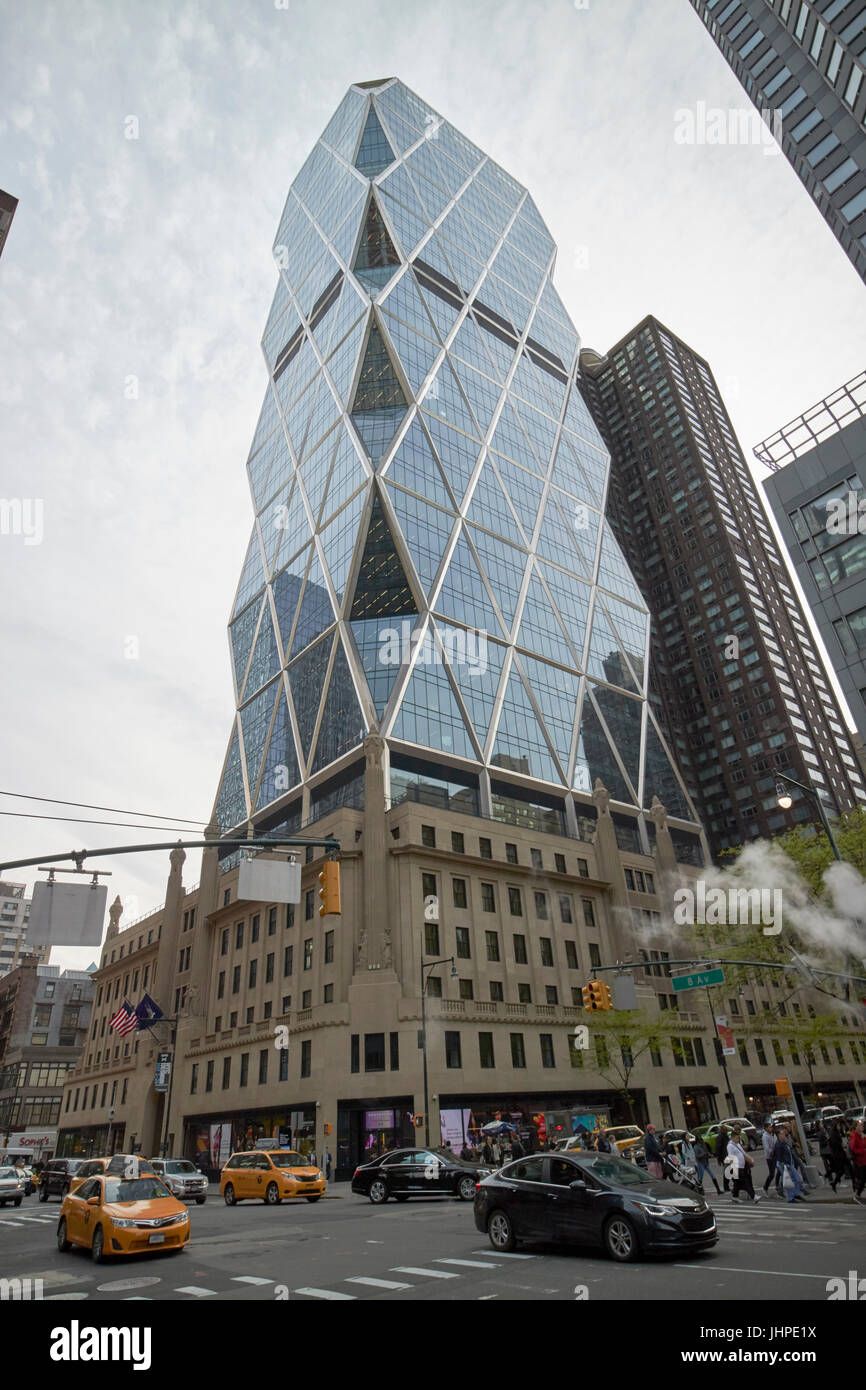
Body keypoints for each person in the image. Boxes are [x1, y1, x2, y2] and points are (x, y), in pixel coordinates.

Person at [727, 1126, 761, 1203]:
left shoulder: (737, 1144)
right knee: (745, 1182)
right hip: (737, 1167)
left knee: (737, 1183)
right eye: (736, 1138)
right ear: (732, 1138)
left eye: (738, 1138)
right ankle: (753, 1196)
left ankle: (735, 1196)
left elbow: (744, 1154)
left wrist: (751, 1159)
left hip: (742, 1166)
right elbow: (731, 1157)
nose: (738, 1139)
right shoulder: (730, 1146)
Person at [773, 1126, 805, 1203]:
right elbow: (779, 1157)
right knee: (789, 1182)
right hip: (785, 1165)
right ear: (779, 1135)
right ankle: (790, 1198)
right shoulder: (778, 1145)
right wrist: (784, 1165)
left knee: (797, 1179)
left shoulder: (784, 1142)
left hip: (790, 1164)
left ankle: (796, 1194)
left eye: (784, 1133)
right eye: (782, 1133)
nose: (784, 1134)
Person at [849, 1118, 866, 1204]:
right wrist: (863, 1151)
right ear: (856, 1127)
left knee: (863, 1180)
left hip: (865, 1159)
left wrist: (864, 1138)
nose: (862, 1126)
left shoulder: (862, 1135)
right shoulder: (854, 1135)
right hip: (860, 1161)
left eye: (862, 1125)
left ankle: (858, 1195)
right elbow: (853, 1148)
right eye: (860, 1125)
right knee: (863, 1180)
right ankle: (857, 1195)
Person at [828, 1121, 848, 1192]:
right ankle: (836, 1182)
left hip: (840, 1153)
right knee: (840, 1170)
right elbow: (835, 1144)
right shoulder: (834, 1134)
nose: (840, 1127)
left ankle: (835, 1182)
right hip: (837, 1154)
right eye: (839, 1126)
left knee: (841, 1169)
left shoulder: (837, 1133)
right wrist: (842, 1145)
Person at [761, 1122, 779, 1195]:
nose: (771, 1128)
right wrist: (773, 1150)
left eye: (771, 1127)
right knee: (772, 1174)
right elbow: (767, 1148)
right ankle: (765, 1188)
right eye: (769, 1127)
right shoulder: (765, 1136)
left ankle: (778, 1187)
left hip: (776, 1155)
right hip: (770, 1157)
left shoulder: (772, 1134)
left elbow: (776, 1142)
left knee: (781, 1170)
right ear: (766, 1128)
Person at [715, 1124, 730, 1192]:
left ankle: (727, 1186)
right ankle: (726, 1186)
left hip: (726, 1156)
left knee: (729, 1171)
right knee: (728, 1171)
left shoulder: (725, 1136)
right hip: (725, 1157)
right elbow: (718, 1148)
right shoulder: (721, 1137)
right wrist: (719, 1159)